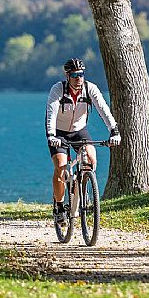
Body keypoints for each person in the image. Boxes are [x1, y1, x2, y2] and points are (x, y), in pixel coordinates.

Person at [45, 58, 121, 223]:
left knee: (91, 159)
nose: (78, 78)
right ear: (67, 75)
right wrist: (51, 136)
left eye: (81, 74)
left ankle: (80, 185)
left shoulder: (90, 88)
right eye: (74, 75)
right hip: (59, 133)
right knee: (60, 166)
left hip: (79, 131)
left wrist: (114, 131)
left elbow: (103, 110)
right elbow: (50, 114)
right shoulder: (58, 89)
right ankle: (59, 206)